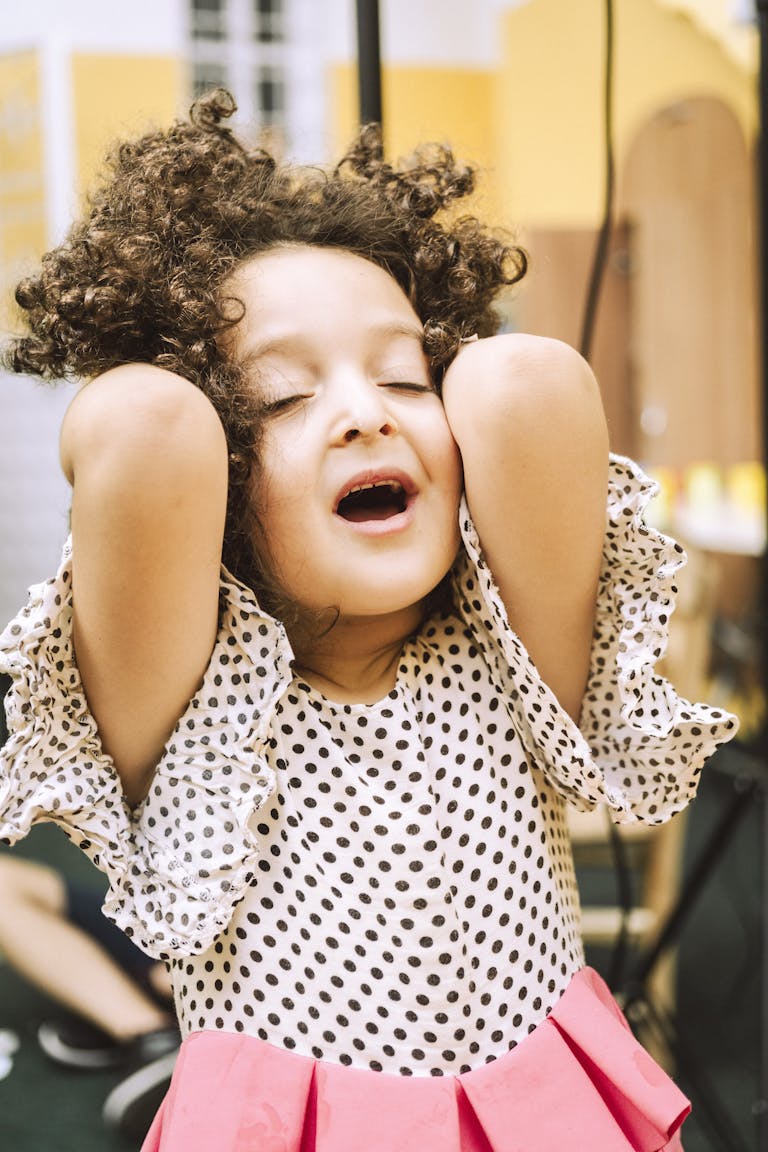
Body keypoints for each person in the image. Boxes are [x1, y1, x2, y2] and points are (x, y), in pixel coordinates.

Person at [0, 89, 738, 1151]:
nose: (368, 410)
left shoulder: (504, 644)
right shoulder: (192, 709)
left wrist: (458, 367)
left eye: (405, 374)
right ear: (213, 470)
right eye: (283, 400)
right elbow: (142, 429)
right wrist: (194, 417)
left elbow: (527, 385)